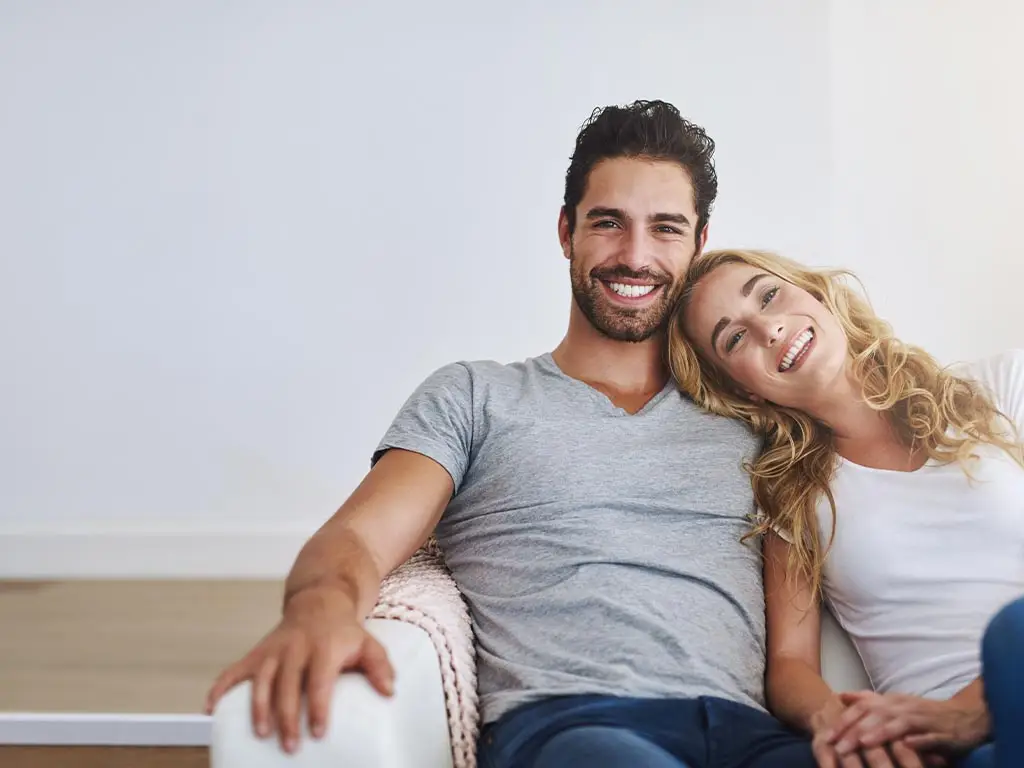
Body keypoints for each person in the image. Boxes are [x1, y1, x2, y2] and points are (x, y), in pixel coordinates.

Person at [204, 102, 816, 768]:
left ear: (697, 245)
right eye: (607, 223)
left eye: (665, 229)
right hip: (574, 731)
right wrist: (318, 609)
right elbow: (357, 537)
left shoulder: (751, 416)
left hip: (747, 738)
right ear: (565, 231)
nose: (635, 256)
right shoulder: (474, 397)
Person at [670, 247, 1024, 768]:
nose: (768, 328)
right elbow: (791, 665)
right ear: (742, 389)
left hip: (1007, 671)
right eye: (736, 338)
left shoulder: (998, 390)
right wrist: (837, 722)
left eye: (769, 295)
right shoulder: (794, 500)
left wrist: (971, 710)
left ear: (814, 292)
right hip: (941, 750)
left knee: (1011, 632)